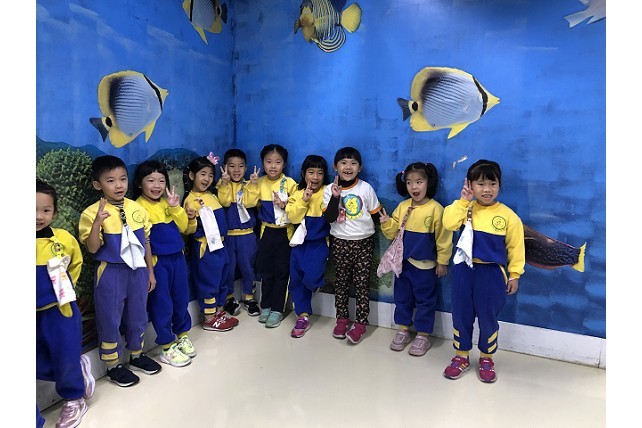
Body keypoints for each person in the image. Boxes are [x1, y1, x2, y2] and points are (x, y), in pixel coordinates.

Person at [79, 155, 162, 388]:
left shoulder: (137, 208)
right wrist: (97, 223)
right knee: (109, 318)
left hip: (138, 271)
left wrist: (150, 272)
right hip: (111, 272)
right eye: (110, 181)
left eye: (123, 179)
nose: (118, 185)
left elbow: (146, 242)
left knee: (138, 314)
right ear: (98, 185)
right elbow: (92, 248)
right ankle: (113, 365)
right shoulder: (91, 213)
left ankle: (136, 354)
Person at [441, 159, 525, 383]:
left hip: (491, 275)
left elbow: (516, 248)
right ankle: (461, 356)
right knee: (461, 314)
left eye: (492, 184)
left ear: (499, 185)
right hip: (463, 271)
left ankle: (487, 358)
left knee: (488, 317)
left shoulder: (508, 216)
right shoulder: (464, 208)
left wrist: (515, 274)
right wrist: (463, 201)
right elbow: (448, 224)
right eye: (480, 184)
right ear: (470, 185)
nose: (487, 189)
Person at [36, 179, 95, 428]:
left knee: (65, 354)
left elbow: (75, 263)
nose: (38, 216)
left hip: (60, 311)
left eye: (46, 210)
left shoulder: (63, 239)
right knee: (37, 359)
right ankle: (78, 371)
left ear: (54, 212)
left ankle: (74, 397)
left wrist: (64, 290)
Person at [379, 163, 453, 356]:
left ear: (429, 182)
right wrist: (386, 223)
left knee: (425, 301)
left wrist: (442, 261)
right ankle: (403, 329)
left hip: (426, 267)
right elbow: (393, 233)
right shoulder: (403, 206)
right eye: (410, 182)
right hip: (402, 265)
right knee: (402, 298)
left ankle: (423, 335)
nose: (414, 187)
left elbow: (444, 238)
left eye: (419, 182)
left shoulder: (436, 209)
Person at [133, 160, 195, 368]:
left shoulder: (167, 202)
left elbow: (184, 227)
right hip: (158, 262)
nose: (157, 185)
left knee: (181, 298)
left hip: (177, 257)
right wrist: (149, 270)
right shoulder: (137, 207)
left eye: (161, 180)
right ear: (139, 183)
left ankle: (182, 335)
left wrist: (176, 208)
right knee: (162, 304)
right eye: (150, 180)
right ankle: (167, 346)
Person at [322, 146, 383, 344]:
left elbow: (376, 214)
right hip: (340, 242)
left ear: (360, 167)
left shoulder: (365, 188)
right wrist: (335, 197)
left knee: (362, 284)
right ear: (335, 167)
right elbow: (329, 218)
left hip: (364, 243)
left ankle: (361, 323)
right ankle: (342, 319)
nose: (348, 167)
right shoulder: (328, 190)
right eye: (343, 163)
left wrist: (384, 222)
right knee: (340, 283)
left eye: (353, 163)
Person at [183, 154, 239, 332]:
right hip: (205, 247)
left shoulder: (211, 195)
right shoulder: (190, 200)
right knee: (209, 280)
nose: (206, 179)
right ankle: (208, 317)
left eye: (210, 175)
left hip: (221, 245)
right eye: (202, 174)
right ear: (191, 175)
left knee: (222, 278)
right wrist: (191, 218)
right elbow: (188, 229)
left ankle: (218, 311)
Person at [285, 155, 331, 338]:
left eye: (320, 173)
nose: (315, 177)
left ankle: (314, 286)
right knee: (296, 280)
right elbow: (293, 218)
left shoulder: (327, 191)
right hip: (298, 244)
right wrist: (303, 200)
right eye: (311, 172)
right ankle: (302, 316)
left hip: (318, 243)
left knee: (311, 279)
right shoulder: (297, 194)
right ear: (304, 173)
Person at [255, 144, 298, 328]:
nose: (273, 166)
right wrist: (251, 185)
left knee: (282, 271)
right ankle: (265, 305)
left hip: (285, 232)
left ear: (284, 164)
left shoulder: (290, 183)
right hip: (266, 231)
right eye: (268, 161)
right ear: (263, 163)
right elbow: (250, 202)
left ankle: (277, 309)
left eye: (278, 162)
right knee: (266, 270)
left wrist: (284, 204)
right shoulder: (259, 182)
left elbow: (297, 208)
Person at [215, 148, 261, 317]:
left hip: (247, 235)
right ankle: (228, 298)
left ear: (246, 168)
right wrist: (225, 184)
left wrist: (253, 185)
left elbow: (250, 203)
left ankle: (249, 297)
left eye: (240, 166)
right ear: (224, 167)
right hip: (228, 236)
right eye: (232, 166)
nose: (236, 170)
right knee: (228, 268)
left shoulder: (249, 185)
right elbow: (225, 202)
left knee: (248, 267)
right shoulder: (221, 185)